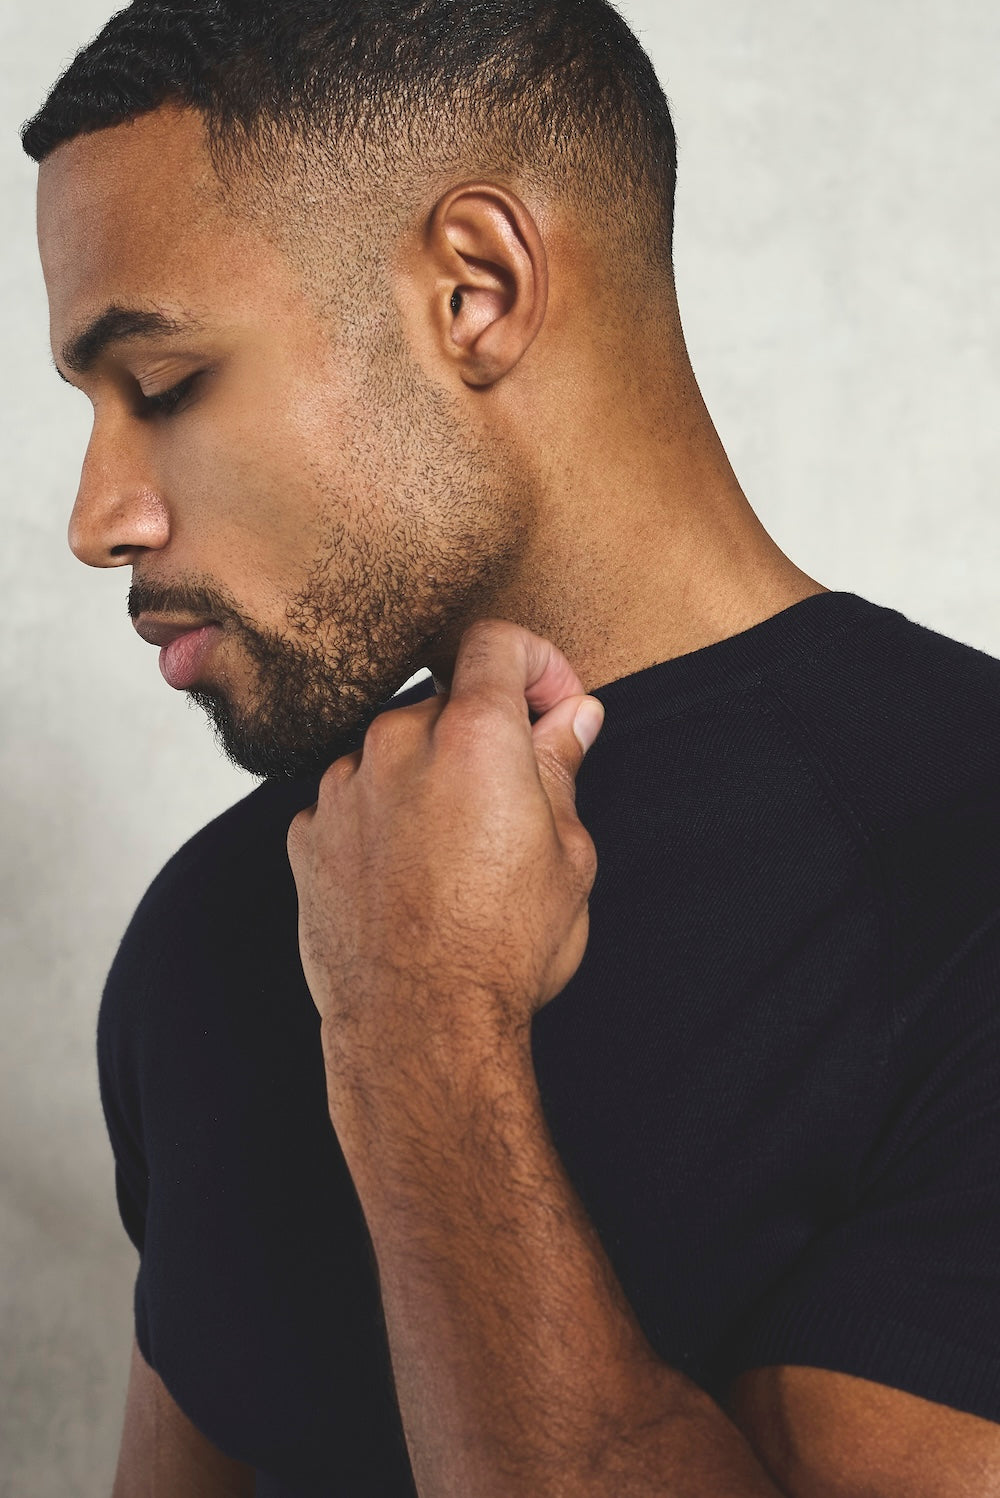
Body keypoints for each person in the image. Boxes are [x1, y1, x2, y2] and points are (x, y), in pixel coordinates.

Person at [21, 1, 1000, 1493]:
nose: (99, 519)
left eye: (161, 385)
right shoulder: (217, 924)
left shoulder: (965, 865)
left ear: (476, 290)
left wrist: (422, 1033)